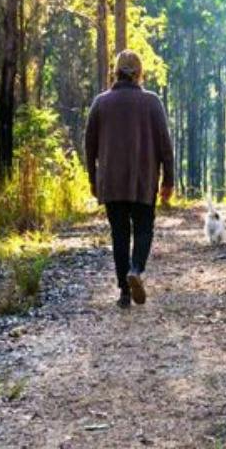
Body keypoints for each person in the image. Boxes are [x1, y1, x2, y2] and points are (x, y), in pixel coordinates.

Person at [83, 49, 174, 308]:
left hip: (111, 181)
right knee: (144, 227)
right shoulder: (152, 101)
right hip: (143, 180)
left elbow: (89, 145)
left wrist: (93, 178)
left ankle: (124, 292)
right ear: (139, 73)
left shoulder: (101, 102)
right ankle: (136, 269)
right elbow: (165, 144)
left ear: (116, 71)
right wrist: (168, 180)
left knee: (119, 234)